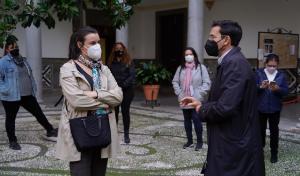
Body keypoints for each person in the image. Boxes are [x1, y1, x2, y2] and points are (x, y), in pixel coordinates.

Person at [181, 20, 265, 176]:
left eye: (213, 37)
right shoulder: (229, 62)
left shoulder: (235, 64)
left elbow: (225, 107)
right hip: (229, 140)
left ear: (226, 40)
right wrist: (201, 102)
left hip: (235, 145)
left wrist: (201, 109)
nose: (209, 41)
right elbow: (225, 98)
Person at [55, 26, 123, 176]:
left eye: (98, 42)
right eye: (93, 43)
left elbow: (118, 96)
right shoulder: (67, 69)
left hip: (103, 127)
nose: (97, 46)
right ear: (80, 45)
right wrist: (106, 102)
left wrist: (95, 93)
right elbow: (77, 100)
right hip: (78, 129)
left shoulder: (103, 69)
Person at [0, 35, 57, 150]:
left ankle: (50, 130)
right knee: (11, 119)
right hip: (11, 96)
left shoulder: (22, 60)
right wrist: (4, 89)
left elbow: (29, 75)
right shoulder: (3, 62)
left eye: (16, 47)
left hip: (27, 95)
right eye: (12, 47)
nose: (15, 49)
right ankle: (13, 141)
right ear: (7, 49)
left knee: (38, 113)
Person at [172, 47, 211, 151]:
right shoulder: (181, 68)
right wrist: (180, 94)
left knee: (197, 120)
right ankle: (189, 141)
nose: (188, 56)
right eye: (186, 55)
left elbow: (207, 83)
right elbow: (175, 81)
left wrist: (198, 95)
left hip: (196, 99)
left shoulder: (201, 68)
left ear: (194, 55)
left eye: (190, 54)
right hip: (184, 99)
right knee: (187, 121)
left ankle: (199, 142)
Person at [256, 53, 288, 163]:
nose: (272, 68)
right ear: (266, 64)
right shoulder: (259, 73)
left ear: (278, 65)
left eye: (274, 66)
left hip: (275, 108)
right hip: (261, 107)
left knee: (274, 131)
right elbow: (252, 90)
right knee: (260, 131)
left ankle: (274, 153)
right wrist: (260, 87)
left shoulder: (281, 75)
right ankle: (260, 151)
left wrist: (278, 89)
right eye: (270, 65)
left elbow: (285, 92)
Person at [108, 42, 135, 144]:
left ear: (124, 50)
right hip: (114, 90)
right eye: (117, 49)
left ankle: (126, 134)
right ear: (114, 50)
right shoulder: (111, 62)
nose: (119, 51)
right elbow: (108, 75)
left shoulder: (129, 61)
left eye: (121, 49)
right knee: (114, 112)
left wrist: (123, 85)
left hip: (127, 90)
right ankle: (113, 133)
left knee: (125, 112)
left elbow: (132, 75)